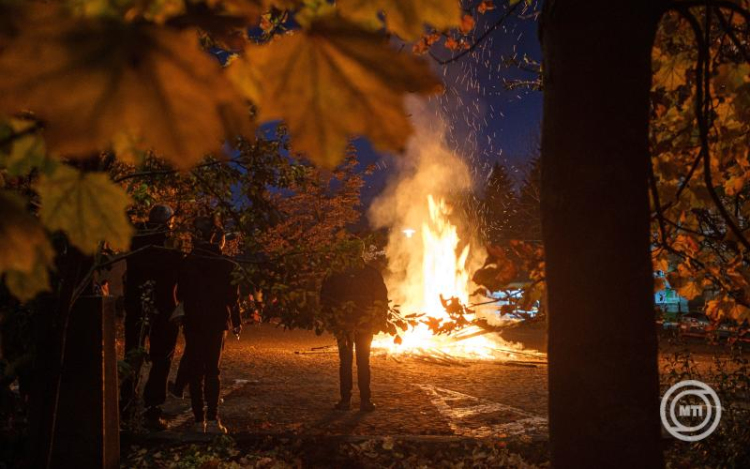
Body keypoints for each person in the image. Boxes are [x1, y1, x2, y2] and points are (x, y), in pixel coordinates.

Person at [176, 217, 240, 434]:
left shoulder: (188, 262)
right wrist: (235, 320)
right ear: (220, 242)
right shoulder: (227, 265)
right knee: (213, 369)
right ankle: (213, 419)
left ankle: (197, 419)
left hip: (193, 320)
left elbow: (181, 292)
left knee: (196, 370)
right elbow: (233, 298)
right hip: (216, 321)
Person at [120, 204, 182, 430]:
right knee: (162, 358)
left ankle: (126, 404)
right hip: (164, 308)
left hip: (137, 305)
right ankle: (152, 408)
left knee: (132, 353)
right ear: (169, 222)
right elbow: (179, 276)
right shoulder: (171, 245)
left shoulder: (136, 241)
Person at [320, 253, 388, 412]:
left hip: (343, 325)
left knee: (345, 362)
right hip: (365, 324)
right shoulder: (371, 273)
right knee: (363, 362)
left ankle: (345, 401)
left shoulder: (336, 273)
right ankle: (365, 401)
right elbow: (381, 297)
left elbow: (325, 298)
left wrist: (331, 321)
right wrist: (378, 320)